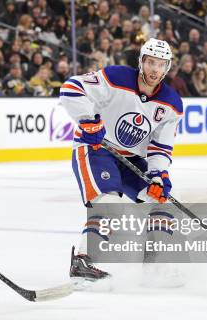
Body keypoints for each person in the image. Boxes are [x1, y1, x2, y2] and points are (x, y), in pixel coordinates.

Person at [59, 38, 183, 289]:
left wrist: (159, 175)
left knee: (163, 203)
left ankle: (154, 266)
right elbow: (71, 88)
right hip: (95, 149)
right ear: (141, 62)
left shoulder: (172, 103)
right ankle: (82, 261)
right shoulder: (115, 77)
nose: (154, 69)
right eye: (150, 62)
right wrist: (87, 119)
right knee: (109, 204)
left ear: (167, 67)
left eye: (160, 64)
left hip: (132, 160)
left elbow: (160, 147)